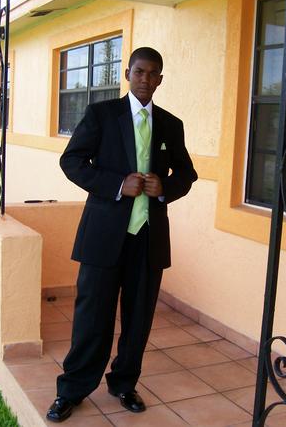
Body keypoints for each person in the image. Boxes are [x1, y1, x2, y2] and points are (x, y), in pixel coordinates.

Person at [46, 47, 198, 423]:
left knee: (138, 318)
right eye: (139, 72)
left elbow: (187, 174)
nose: (146, 79)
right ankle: (72, 389)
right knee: (92, 317)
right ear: (127, 74)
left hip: (148, 238)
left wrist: (164, 187)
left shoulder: (171, 124)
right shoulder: (102, 114)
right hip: (103, 236)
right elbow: (71, 161)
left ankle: (124, 383)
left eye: (153, 73)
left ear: (160, 79)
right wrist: (117, 184)